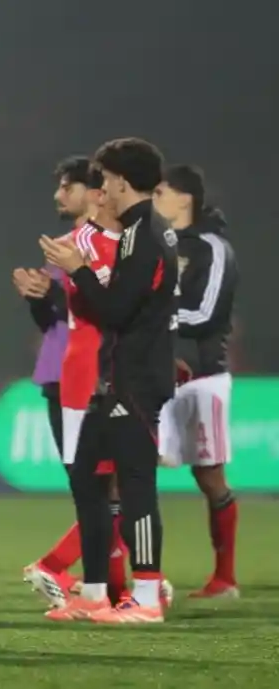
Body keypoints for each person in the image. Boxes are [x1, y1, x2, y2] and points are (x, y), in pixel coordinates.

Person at [41, 137, 178, 624]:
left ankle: (145, 597)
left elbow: (117, 309)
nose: (102, 189)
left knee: (138, 487)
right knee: (91, 480)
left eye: (104, 180)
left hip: (136, 378)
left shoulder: (143, 235)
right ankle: (97, 592)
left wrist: (78, 272)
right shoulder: (145, 231)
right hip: (118, 377)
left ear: (120, 181)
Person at [19, 157, 134, 609]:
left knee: (117, 486)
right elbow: (55, 319)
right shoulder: (65, 246)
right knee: (97, 487)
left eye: (67, 187)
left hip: (105, 375)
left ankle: (107, 583)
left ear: (94, 191)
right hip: (63, 372)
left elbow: (113, 309)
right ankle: (108, 585)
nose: (57, 196)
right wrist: (37, 295)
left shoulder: (122, 245)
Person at [153, 164, 240, 599]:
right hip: (153, 375)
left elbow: (206, 313)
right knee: (128, 471)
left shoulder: (211, 248)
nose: (155, 197)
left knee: (209, 478)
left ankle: (224, 579)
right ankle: (138, 575)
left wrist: (150, 320)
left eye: (161, 191)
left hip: (201, 377)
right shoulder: (156, 244)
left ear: (185, 198)